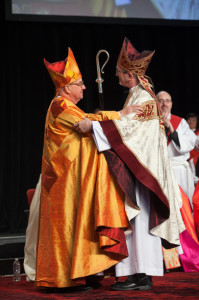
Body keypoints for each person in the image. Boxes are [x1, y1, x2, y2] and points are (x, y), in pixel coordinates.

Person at [75, 37, 186, 291]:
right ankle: (135, 273)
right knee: (134, 220)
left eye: (118, 73)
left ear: (130, 75)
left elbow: (129, 129)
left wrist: (93, 125)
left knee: (142, 218)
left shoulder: (145, 98)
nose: (115, 76)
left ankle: (143, 274)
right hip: (139, 168)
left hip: (145, 171)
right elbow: (125, 124)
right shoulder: (137, 94)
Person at [30, 47, 141, 290]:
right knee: (66, 227)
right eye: (79, 84)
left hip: (72, 178)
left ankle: (83, 273)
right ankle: (63, 280)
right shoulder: (60, 106)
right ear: (66, 87)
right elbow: (85, 124)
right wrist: (121, 114)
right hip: (61, 180)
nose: (84, 88)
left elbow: (88, 121)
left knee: (79, 225)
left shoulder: (68, 106)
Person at [156, 91, 196, 208]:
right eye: (161, 101)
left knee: (181, 206)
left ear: (172, 104)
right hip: (159, 170)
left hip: (178, 171)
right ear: (156, 103)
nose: (165, 104)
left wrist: (171, 130)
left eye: (168, 101)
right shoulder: (150, 123)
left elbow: (189, 143)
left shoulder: (181, 122)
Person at [185, 112, 199, 184]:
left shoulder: (198, 133)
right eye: (189, 120)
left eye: (194, 120)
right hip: (184, 159)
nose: (191, 122)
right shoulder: (182, 133)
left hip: (195, 159)